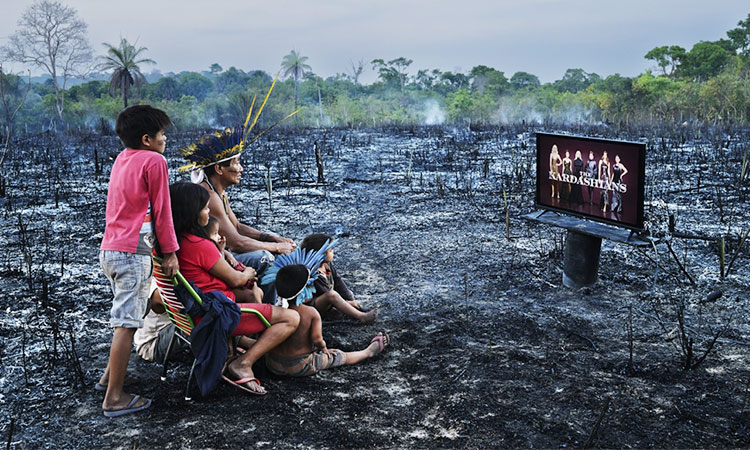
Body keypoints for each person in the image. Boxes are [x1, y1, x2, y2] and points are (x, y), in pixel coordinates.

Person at [169, 181, 299, 395]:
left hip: (203, 307)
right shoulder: (199, 245)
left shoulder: (178, 242)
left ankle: (238, 348)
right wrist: (248, 272)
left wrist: (221, 252)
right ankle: (243, 363)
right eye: (205, 208)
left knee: (251, 293)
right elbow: (236, 279)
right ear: (192, 213)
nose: (209, 212)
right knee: (291, 318)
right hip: (217, 315)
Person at [98, 105, 179, 417]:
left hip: (111, 250)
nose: (165, 139)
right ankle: (114, 399)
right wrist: (170, 253)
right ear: (147, 139)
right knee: (127, 324)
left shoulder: (123, 158)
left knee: (129, 313)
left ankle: (108, 379)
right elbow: (162, 210)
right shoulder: (154, 160)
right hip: (133, 254)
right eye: (161, 134)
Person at [180, 128, 297, 304]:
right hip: (212, 261)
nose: (241, 169)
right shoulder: (209, 197)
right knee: (265, 257)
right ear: (219, 168)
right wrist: (276, 247)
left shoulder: (219, 193)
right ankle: (270, 311)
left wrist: (273, 238)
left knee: (273, 253)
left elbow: (237, 227)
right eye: (236, 163)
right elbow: (236, 243)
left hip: (219, 255)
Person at [265, 265, 389, 377]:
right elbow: (317, 339)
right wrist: (324, 349)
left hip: (273, 364)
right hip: (300, 365)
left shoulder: (273, 311)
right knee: (339, 356)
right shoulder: (311, 313)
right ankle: (367, 352)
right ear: (304, 291)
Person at [298, 233, 378, 323]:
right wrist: (347, 303)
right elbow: (325, 292)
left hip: (328, 299)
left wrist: (350, 299)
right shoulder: (312, 273)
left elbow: (338, 281)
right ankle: (361, 317)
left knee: (348, 293)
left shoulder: (326, 265)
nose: (333, 252)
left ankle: (347, 310)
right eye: (330, 250)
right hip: (313, 306)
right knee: (332, 295)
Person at [205, 216, 263, 303]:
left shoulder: (214, 248)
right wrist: (246, 274)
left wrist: (225, 252)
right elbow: (224, 269)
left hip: (225, 283)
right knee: (252, 293)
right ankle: (260, 314)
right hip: (219, 291)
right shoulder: (209, 250)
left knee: (258, 290)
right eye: (215, 234)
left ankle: (261, 311)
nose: (219, 237)